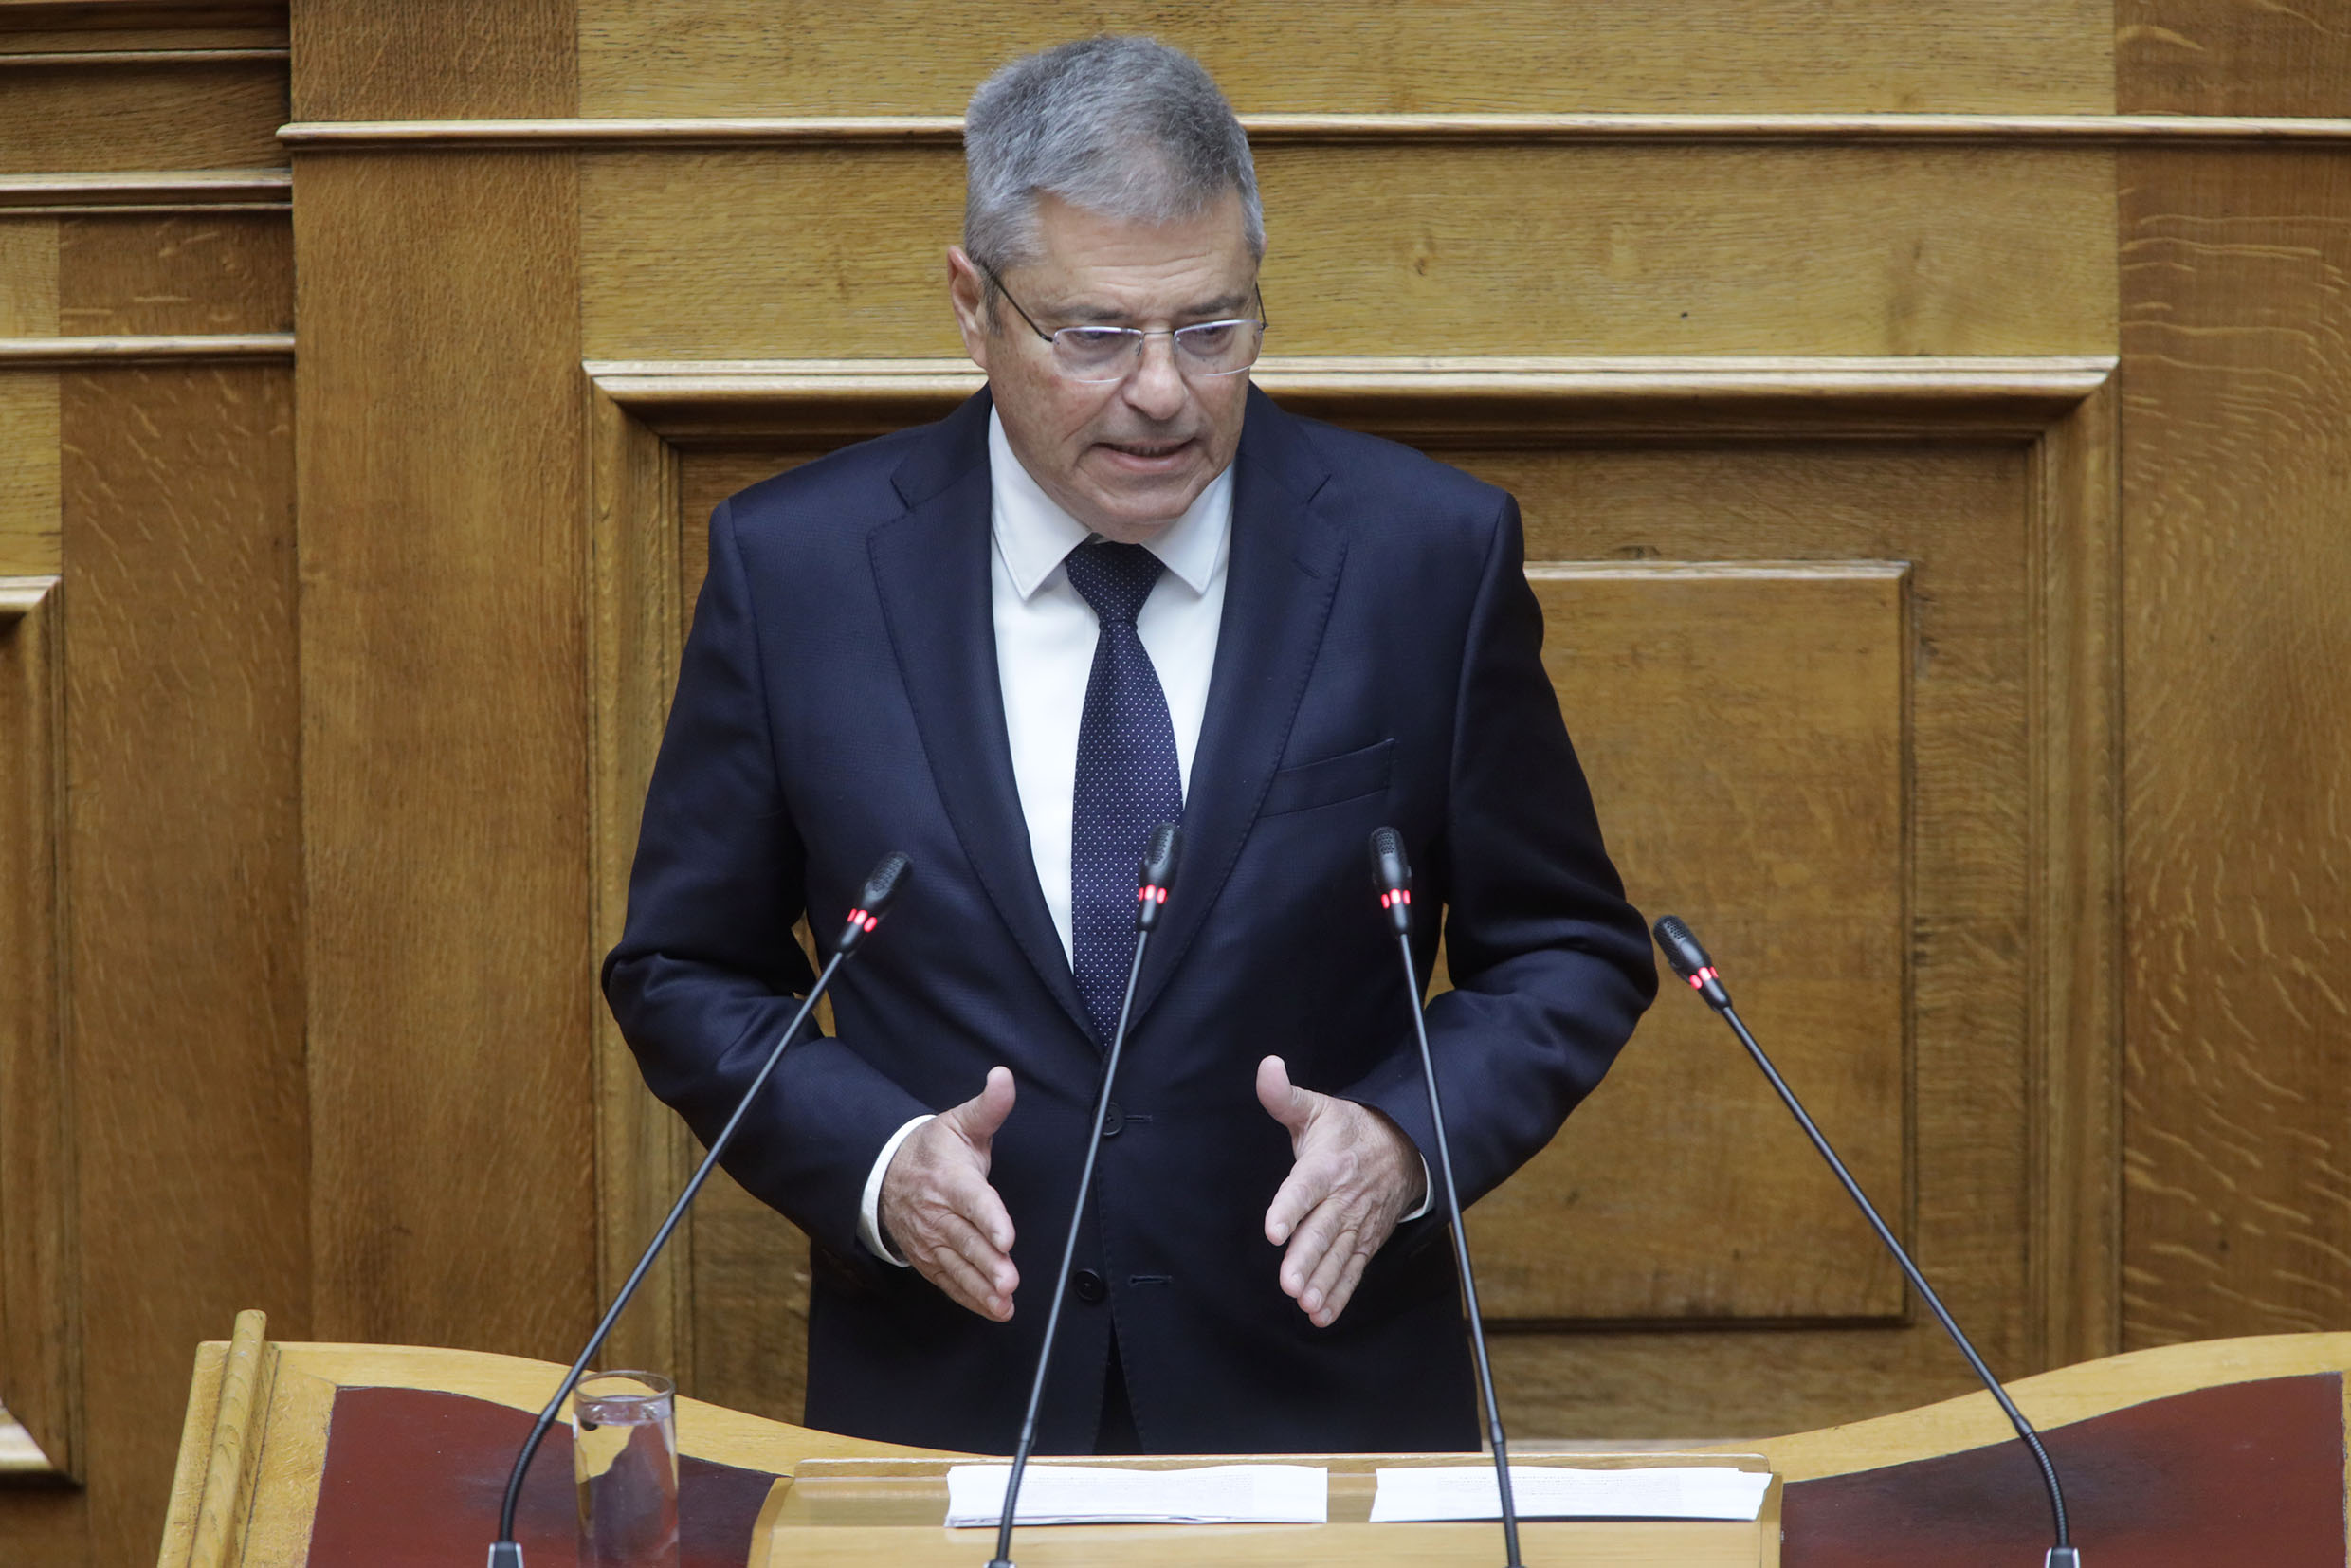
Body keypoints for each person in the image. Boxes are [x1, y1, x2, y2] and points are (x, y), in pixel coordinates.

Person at [603, 35, 1655, 1457]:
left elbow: (1570, 949)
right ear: (973, 307)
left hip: (1318, 1411)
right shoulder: (800, 570)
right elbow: (686, 967)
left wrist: (1405, 1138)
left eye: (1212, 330)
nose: (1162, 390)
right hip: (950, 1416)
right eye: (1096, 336)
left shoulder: (1424, 557)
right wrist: (878, 1157)